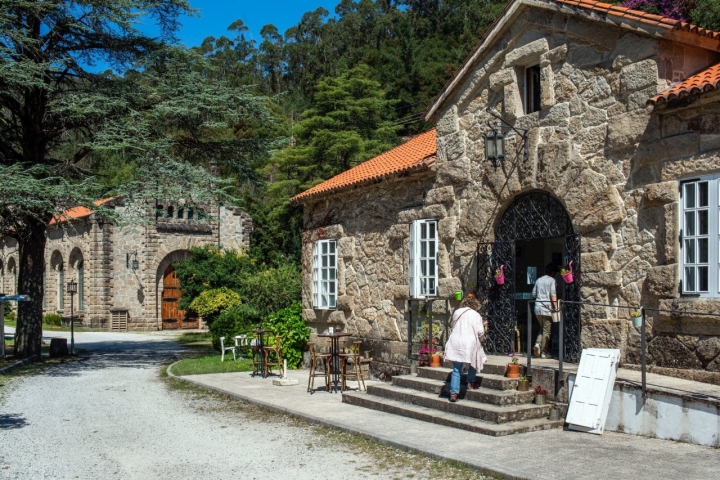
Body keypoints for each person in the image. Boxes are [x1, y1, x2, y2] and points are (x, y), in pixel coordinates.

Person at [443, 295, 487, 403]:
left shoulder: (457, 312)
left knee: (456, 369)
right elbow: (480, 331)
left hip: (456, 340)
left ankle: (453, 394)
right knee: (473, 361)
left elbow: (453, 325)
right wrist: (482, 339)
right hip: (469, 342)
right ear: (475, 305)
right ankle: (471, 381)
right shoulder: (476, 315)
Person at [532, 263, 559, 358]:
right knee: (547, 331)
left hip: (537, 307)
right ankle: (543, 352)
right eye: (555, 273)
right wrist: (556, 307)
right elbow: (553, 294)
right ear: (552, 272)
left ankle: (537, 344)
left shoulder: (539, 280)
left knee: (542, 327)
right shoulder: (552, 280)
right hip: (547, 308)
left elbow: (534, 294)